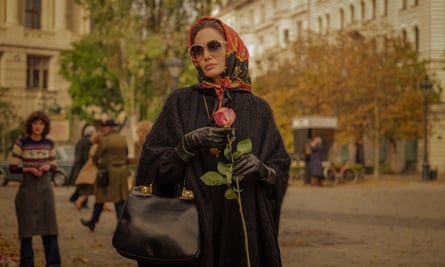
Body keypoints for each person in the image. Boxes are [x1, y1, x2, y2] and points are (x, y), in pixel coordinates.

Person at [135, 16, 291, 267]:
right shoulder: (180, 102)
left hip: (241, 225)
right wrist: (185, 147)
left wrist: (263, 170)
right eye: (197, 50)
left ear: (231, 48)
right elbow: (152, 168)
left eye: (214, 46)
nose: (205, 55)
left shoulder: (258, 109)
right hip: (191, 227)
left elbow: (279, 165)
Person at [9, 111, 61, 267]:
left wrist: (47, 167)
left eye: (41, 124)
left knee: (50, 228)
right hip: (27, 190)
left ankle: (53, 263)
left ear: (44, 126)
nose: (38, 127)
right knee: (26, 231)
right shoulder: (22, 143)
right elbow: (12, 166)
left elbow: (54, 165)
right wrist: (28, 169)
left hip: (45, 190)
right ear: (30, 125)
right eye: (35, 123)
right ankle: (26, 264)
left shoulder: (50, 143)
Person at [80, 119, 130, 231]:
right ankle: (95, 222)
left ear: (107, 128)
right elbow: (126, 154)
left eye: (104, 127)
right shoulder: (123, 139)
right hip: (122, 173)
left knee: (101, 196)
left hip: (108, 173)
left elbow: (97, 156)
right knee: (120, 199)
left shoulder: (105, 140)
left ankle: (96, 222)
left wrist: (99, 164)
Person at [68, 124, 97, 208]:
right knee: (85, 184)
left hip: (78, 164)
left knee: (82, 184)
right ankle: (78, 200)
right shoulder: (88, 141)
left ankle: (75, 199)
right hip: (83, 165)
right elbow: (86, 155)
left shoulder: (80, 140)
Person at [73, 132, 101, 210]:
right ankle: (79, 201)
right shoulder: (96, 147)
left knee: (98, 189)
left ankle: (103, 205)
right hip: (93, 169)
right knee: (92, 188)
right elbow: (95, 157)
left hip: (93, 168)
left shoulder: (94, 146)